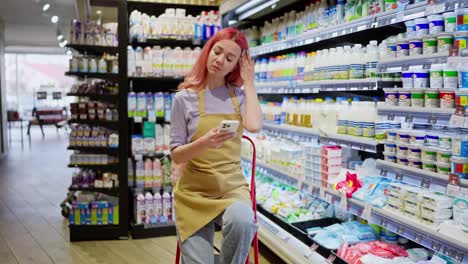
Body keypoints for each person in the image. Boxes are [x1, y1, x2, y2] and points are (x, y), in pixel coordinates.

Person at [169, 27, 263, 264]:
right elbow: (177, 155)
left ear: (236, 67)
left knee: (243, 220)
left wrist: (249, 82)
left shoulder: (240, 97)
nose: (220, 60)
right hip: (193, 191)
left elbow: (253, 125)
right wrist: (204, 142)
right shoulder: (184, 99)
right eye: (217, 51)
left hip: (230, 187)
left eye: (230, 58)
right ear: (208, 51)